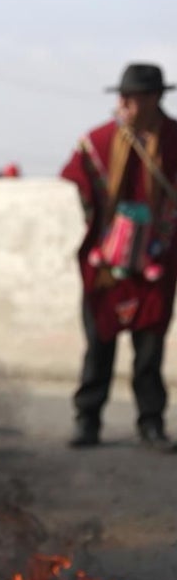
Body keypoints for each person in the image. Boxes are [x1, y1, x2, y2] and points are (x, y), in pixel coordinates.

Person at [60, 62, 177, 450]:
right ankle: (88, 420)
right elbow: (78, 177)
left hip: (155, 261)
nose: (124, 103)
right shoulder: (103, 139)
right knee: (99, 341)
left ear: (155, 98)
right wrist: (100, 221)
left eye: (133, 97)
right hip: (108, 262)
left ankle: (151, 422)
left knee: (149, 346)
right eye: (122, 96)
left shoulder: (174, 140)